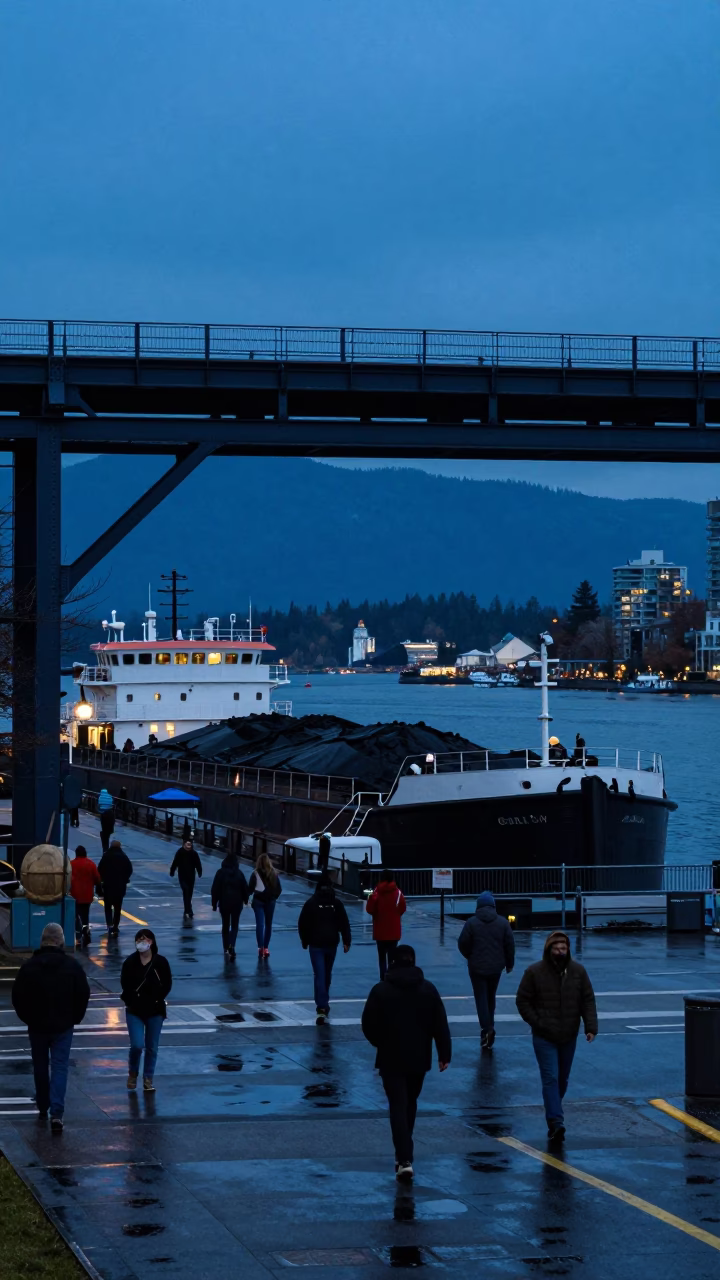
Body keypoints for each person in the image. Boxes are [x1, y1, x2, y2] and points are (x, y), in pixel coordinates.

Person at [362, 944, 451, 1180]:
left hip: (390, 1057)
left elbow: (368, 1024)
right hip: (419, 1056)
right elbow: (440, 1022)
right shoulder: (428, 989)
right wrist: (444, 1053)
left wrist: (380, 1042)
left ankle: (403, 1157)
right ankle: (405, 1152)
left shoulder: (380, 990)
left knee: (397, 1105)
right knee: (410, 1103)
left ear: (391, 962)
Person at [515, 931, 598, 1142]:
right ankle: (556, 1121)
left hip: (568, 1034)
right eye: (557, 948)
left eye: (564, 948)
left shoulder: (578, 972)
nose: (561, 951)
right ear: (549, 949)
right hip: (544, 1036)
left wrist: (591, 1027)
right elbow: (522, 1001)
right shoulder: (535, 972)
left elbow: (587, 1000)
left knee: (562, 1079)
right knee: (550, 1077)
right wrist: (538, 1022)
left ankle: (554, 1109)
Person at [12, 923, 90, 1131]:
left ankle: (42, 1106)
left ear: (43, 940)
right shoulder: (72, 966)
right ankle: (57, 1112)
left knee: (39, 1065)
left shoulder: (30, 966)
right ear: (61, 940)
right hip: (63, 1024)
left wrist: (28, 1018)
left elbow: (18, 997)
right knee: (60, 1066)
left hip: (37, 1025)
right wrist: (75, 1017)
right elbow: (83, 994)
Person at [457, 891, 515, 1050]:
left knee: (480, 997)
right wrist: (509, 964)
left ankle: (487, 1029)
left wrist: (470, 956)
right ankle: (490, 1025)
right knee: (491, 996)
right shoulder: (503, 923)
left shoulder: (471, 923)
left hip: (476, 967)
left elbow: (462, 943)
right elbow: (510, 945)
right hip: (496, 967)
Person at [120, 928, 172, 1092]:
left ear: (152, 942)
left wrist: (158, 998)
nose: (143, 942)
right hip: (134, 1010)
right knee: (137, 1045)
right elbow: (124, 983)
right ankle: (133, 1073)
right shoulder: (130, 962)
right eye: (140, 939)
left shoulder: (160, 962)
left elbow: (167, 983)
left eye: (147, 939)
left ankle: (148, 1078)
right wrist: (132, 999)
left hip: (155, 1010)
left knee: (152, 1047)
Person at [297, 873, 351, 1023]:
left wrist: (304, 940)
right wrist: (347, 941)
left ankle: (321, 1006)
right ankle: (324, 1001)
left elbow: (303, 923)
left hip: (315, 944)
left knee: (319, 974)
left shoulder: (311, 903)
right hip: (331, 943)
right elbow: (344, 923)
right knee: (327, 974)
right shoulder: (336, 903)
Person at [366, 869, 407, 978]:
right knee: (392, 958)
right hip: (394, 931)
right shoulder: (398, 893)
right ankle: (392, 977)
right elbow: (402, 909)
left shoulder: (376, 892)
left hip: (380, 931)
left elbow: (370, 909)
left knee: (382, 958)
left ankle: (383, 979)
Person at [211, 852, 249, 960]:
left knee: (225, 925)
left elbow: (215, 889)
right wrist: (246, 900)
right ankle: (232, 945)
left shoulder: (220, 873)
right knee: (235, 925)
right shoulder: (239, 873)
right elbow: (244, 888)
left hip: (224, 902)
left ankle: (225, 947)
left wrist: (214, 903)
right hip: (237, 903)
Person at [248, 853, 282, 958]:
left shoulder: (255, 874)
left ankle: (260, 947)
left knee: (260, 925)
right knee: (268, 925)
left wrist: (246, 898)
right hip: (270, 901)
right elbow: (279, 889)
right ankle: (266, 948)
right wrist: (273, 897)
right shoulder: (274, 873)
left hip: (258, 901)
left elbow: (250, 888)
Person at [98, 839, 133, 936]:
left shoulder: (106, 856)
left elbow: (100, 869)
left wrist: (102, 880)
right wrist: (125, 878)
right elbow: (129, 869)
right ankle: (116, 926)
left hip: (108, 885)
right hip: (120, 886)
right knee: (118, 907)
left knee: (108, 906)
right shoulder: (123, 857)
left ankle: (109, 924)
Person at [70, 845, 101, 947]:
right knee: (85, 915)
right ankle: (86, 930)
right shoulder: (91, 864)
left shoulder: (71, 864)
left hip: (74, 895)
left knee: (76, 915)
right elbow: (97, 878)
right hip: (87, 895)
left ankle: (78, 935)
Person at [170, 838, 203, 921]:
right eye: (187, 845)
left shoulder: (194, 853)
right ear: (184, 845)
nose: (189, 846)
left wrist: (199, 872)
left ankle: (188, 908)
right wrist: (172, 871)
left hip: (191, 876)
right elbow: (175, 862)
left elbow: (198, 863)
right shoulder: (180, 852)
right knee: (186, 891)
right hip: (182, 876)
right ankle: (188, 910)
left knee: (190, 893)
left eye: (190, 845)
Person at [96, 787, 115, 851]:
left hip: (103, 815)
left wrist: (99, 811)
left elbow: (99, 806)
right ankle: (106, 845)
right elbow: (112, 804)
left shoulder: (100, 797)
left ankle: (105, 848)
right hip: (110, 814)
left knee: (104, 831)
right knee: (107, 832)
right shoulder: (110, 796)